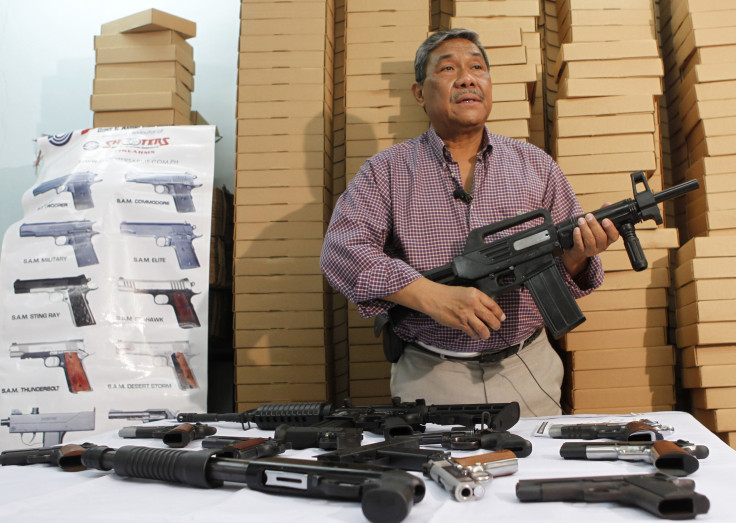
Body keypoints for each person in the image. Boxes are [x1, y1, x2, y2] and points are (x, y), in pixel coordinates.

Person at [320, 28, 620, 416]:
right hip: (431, 374)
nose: (467, 77)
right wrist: (430, 296)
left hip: (529, 369)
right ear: (419, 93)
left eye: (477, 67)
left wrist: (581, 254)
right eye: (448, 68)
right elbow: (341, 252)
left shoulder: (536, 165)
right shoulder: (386, 171)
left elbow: (566, 272)